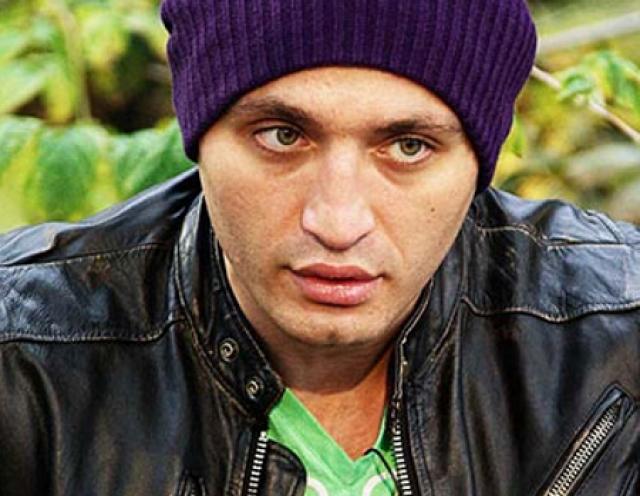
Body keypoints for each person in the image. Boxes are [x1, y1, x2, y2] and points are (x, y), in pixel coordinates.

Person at [1, 0, 638, 494]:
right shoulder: (24, 366)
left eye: (408, 147)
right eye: (282, 136)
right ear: (198, 139)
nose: (337, 222)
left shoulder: (616, 337)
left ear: (478, 164)